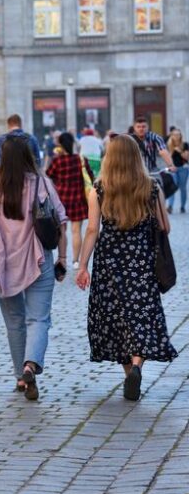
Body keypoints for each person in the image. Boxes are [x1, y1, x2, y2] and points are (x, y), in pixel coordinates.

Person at [75, 135, 178, 401]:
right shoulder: (151, 187)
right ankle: (136, 367)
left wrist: (82, 265)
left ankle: (129, 374)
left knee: (117, 320)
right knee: (141, 317)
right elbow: (164, 227)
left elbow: (91, 231)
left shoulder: (98, 189)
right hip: (142, 264)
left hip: (110, 266)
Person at [0, 136, 68, 400]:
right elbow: (60, 222)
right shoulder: (43, 184)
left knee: (14, 322)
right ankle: (31, 364)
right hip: (39, 259)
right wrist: (63, 257)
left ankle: (21, 377)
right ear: (30, 157)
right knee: (38, 319)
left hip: (4, 263)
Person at [46, 132, 95, 269]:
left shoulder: (58, 161)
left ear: (60, 145)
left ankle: (63, 259)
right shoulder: (80, 159)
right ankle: (75, 261)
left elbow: (48, 174)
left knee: (62, 230)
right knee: (76, 231)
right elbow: (90, 177)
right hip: (78, 199)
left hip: (61, 199)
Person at [0, 114, 43, 185]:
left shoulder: (2, 140)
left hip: (8, 181)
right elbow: (38, 164)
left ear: (8, 125)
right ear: (20, 124)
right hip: (29, 182)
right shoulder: (32, 139)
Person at [166, 128, 189, 214]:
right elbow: (167, 157)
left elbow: (186, 157)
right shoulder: (168, 145)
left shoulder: (185, 145)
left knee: (182, 188)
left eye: (178, 134)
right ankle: (170, 206)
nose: (176, 136)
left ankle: (182, 206)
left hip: (183, 168)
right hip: (172, 168)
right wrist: (173, 150)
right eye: (175, 135)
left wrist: (179, 150)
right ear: (171, 136)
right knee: (172, 186)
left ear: (180, 136)